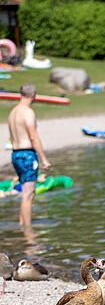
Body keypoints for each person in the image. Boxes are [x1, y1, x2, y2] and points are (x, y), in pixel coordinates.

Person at [7, 84, 51, 226]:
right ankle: (28, 232)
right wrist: (44, 158)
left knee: (25, 193)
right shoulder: (27, 112)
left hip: (16, 155)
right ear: (33, 95)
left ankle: (22, 224)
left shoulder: (12, 113)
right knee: (28, 194)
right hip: (27, 155)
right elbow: (33, 136)